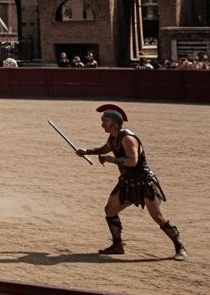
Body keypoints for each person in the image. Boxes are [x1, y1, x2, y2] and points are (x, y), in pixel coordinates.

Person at [74, 104, 185, 260]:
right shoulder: (114, 137)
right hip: (127, 181)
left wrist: (112, 160)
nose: (102, 124)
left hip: (144, 182)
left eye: (105, 121)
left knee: (158, 217)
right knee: (110, 210)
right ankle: (117, 245)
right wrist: (87, 151)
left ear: (115, 122)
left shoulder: (128, 138)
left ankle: (180, 247)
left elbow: (132, 161)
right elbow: (105, 148)